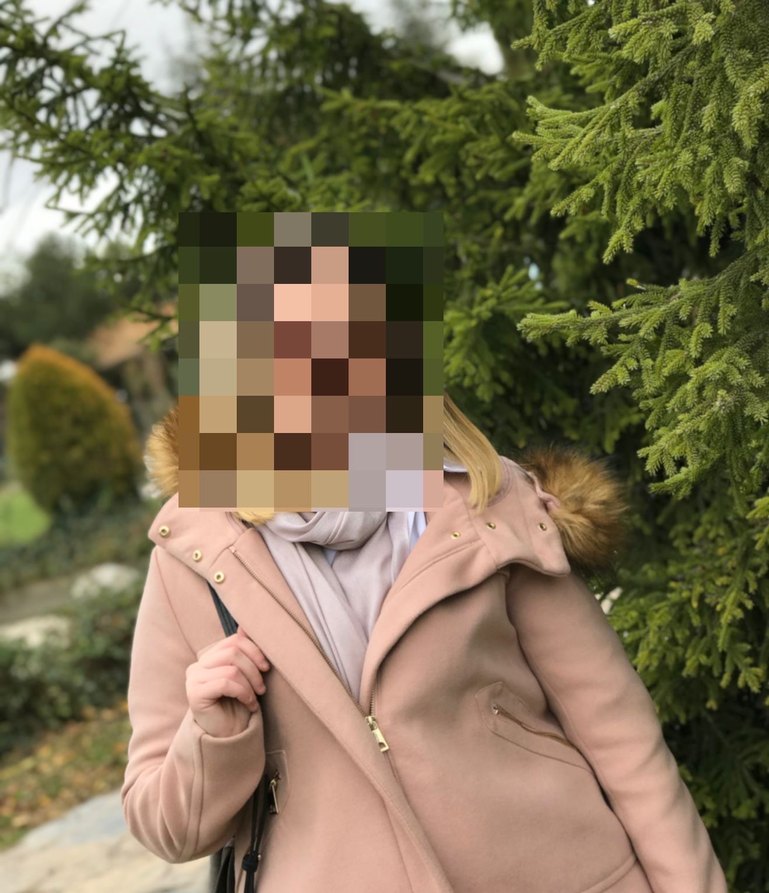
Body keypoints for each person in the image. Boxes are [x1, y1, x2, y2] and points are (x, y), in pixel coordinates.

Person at [121, 392, 728, 893]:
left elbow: (621, 738)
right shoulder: (193, 553)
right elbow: (165, 827)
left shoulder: (487, 501)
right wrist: (213, 734)